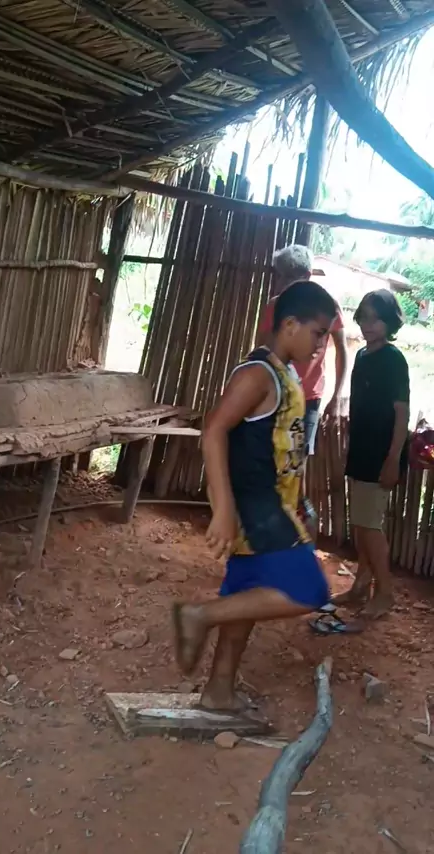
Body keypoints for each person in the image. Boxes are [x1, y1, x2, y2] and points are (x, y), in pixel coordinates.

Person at [172, 280, 337, 711]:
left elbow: (283, 446)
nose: (322, 344)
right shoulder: (258, 374)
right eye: (318, 333)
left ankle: (218, 691)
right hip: (258, 507)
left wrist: (297, 502)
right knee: (310, 590)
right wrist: (224, 509)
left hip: (272, 504)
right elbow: (213, 430)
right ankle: (199, 615)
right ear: (290, 324)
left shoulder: (284, 372)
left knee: (245, 596)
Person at [335, 289, 409, 620]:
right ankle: (361, 586)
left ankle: (385, 593)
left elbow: (401, 413)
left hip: (381, 454)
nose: (368, 324)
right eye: (364, 317)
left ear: (390, 323)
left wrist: (393, 459)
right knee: (361, 524)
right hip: (362, 451)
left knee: (369, 527)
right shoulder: (363, 356)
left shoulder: (393, 360)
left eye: (376, 319)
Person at [257, 245, 348, 455]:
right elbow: (262, 348)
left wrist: (336, 396)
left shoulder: (328, 307)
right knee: (268, 453)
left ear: (307, 276)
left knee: (298, 457)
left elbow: (341, 351)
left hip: (309, 397)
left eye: (288, 277)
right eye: (280, 276)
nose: (281, 282)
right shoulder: (275, 306)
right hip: (276, 391)